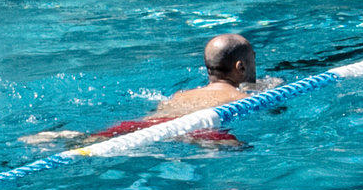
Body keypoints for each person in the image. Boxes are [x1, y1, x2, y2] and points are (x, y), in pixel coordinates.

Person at [19, 33, 272, 147]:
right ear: (240, 66)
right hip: (190, 131)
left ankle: (65, 136)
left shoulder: (181, 95)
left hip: (140, 125)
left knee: (98, 136)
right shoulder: (240, 97)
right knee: (237, 146)